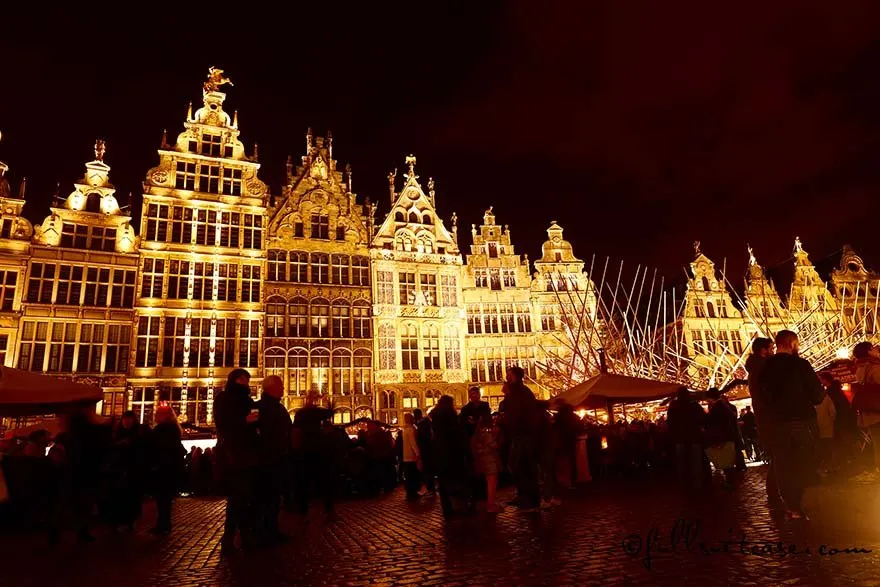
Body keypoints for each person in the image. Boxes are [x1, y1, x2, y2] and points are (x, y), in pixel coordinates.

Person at [757, 330, 825, 519]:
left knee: (784, 465)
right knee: (805, 461)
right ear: (792, 343)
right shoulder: (800, 364)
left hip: (777, 423)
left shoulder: (764, 368)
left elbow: (762, 398)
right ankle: (807, 504)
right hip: (802, 420)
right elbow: (817, 395)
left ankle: (793, 506)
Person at [214, 369, 260, 553]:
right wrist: (245, 421)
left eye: (247, 379)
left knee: (244, 497)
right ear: (234, 380)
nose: (246, 382)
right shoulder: (224, 398)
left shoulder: (247, 400)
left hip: (247, 453)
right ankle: (230, 535)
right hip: (233, 454)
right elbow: (223, 425)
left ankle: (243, 533)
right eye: (242, 379)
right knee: (237, 497)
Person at [256, 375, 292, 544]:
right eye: (281, 387)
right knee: (269, 498)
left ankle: (268, 530)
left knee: (271, 498)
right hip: (270, 459)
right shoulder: (268, 408)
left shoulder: (270, 407)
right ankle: (267, 532)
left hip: (271, 458)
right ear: (271, 388)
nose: (284, 389)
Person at [746, 337, 782, 507]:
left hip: (766, 420)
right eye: (771, 348)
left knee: (777, 459)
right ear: (763, 350)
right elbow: (772, 394)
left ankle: (776, 493)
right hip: (773, 419)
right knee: (780, 458)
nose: (773, 351)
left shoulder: (755, 369)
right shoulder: (764, 368)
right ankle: (778, 494)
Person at [501, 366, 541, 512]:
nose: (507, 377)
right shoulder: (520, 392)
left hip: (524, 434)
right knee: (520, 466)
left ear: (517, 376)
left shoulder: (519, 392)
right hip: (521, 434)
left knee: (521, 466)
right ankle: (526, 496)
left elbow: (515, 414)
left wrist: (507, 396)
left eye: (510, 375)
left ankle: (529, 499)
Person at [292, 391, 335, 517]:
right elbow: (331, 411)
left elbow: (296, 431)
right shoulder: (318, 412)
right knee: (323, 481)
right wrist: (327, 399)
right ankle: (328, 507)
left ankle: (303, 509)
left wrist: (296, 448)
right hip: (318, 449)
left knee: (304, 481)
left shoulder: (300, 413)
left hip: (305, 450)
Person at [148, 405, 185, 534]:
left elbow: (159, 448)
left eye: (158, 413)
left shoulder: (163, 429)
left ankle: (163, 524)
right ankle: (163, 523)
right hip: (169, 469)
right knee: (165, 499)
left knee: (162, 498)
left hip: (163, 469)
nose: (155, 415)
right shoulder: (173, 429)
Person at [430, 395, 465, 518]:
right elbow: (455, 432)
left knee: (443, 480)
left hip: (439, 450)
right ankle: (457, 505)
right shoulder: (449, 414)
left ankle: (447, 508)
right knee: (454, 478)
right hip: (450, 450)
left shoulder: (435, 415)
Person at [666, 387, 706, 491]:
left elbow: (670, 424)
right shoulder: (694, 406)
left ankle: (684, 485)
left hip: (680, 438)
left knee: (682, 463)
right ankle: (698, 485)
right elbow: (703, 419)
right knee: (696, 463)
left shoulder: (673, 406)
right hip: (694, 437)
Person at [460, 386, 490, 507]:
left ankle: (484, 492)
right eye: (472, 394)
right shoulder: (466, 409)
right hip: (472, 439)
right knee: (474, 467)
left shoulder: (484, 406)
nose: (474, 397)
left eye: (475, 394)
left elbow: (487, 420)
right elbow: (463, 424)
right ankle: (477, 492)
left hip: (483, 438)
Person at [853, 341, 880, 470]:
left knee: (878, 442)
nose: (877, 350)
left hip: (869, 413)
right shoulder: (874, 367)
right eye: (874, 348)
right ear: (869, 351)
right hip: (878, 410)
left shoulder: (860, 369)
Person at [471, 412, 503, 513]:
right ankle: (491, 505)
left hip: (484, 459)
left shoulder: (478, 432)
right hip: (489, 459)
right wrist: (496, 435)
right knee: (492, 482)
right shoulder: (486, 432)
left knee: (490, 481)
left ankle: (490, 503)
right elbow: (494, 445)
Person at [413, 409, 435, 495]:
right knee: (428, 469)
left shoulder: (422, 424)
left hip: (425, 450)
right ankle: (430, 488)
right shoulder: (425, 423)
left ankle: (429, 488)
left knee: (427, 470)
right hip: (428, 449)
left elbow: (423, 438)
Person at [401, 413, 421, 501]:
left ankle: (409, 493)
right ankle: (412, 493)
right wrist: (417, 453)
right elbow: (413, 443)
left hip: (406, 456)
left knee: (409, 475)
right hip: (411, 456)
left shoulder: (404, 430)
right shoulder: (411, 430)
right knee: (413, 475)